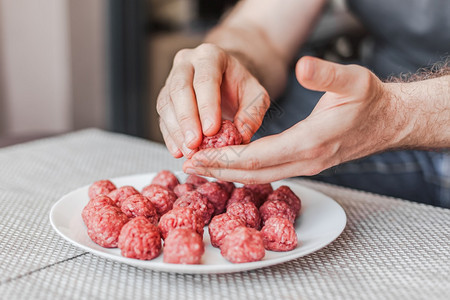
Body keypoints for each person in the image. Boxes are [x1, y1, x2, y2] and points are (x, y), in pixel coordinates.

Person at [156, 0, 450, 207]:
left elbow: (396, 112)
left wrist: (395, 114)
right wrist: (232, 60)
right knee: (248, 129)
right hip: (385, 91)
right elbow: (261, 31)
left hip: (414, 108)